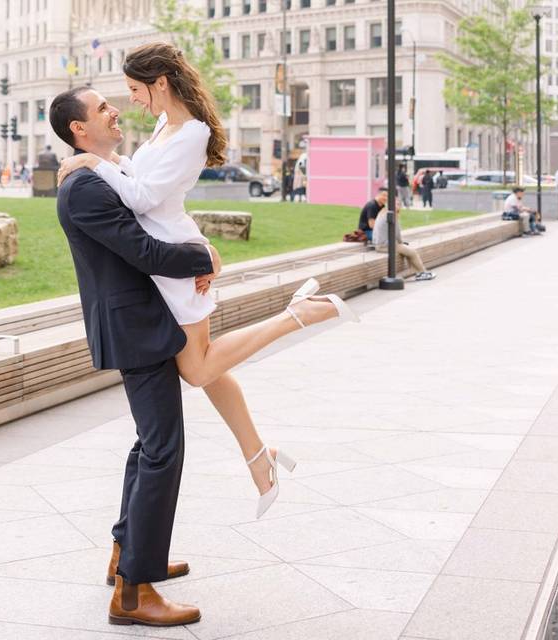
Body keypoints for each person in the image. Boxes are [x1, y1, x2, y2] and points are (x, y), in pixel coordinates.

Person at [51, 45, 355, 627]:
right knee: (164, 446)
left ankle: (131, 559)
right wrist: (198, 251)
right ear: (78, 128)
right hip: (139, 324)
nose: (120, 108)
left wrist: (193, 249)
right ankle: (134, 591)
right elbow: (140, 245)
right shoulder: (86, 184)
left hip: (148, 315)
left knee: (153, 446)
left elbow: (144, 216)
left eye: (127, 94)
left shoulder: (105, 167)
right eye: (105, 106)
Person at [373, 200, 436, 281]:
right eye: (397, 204)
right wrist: (401, 243)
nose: (398, 206)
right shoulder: (392, 215)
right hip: (384, 246)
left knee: (408, 251)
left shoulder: (383, 212)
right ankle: (422, 272)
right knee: (412, 252)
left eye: (399, 204)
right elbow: (397, 234)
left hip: (380, 244)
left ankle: (417, 271)